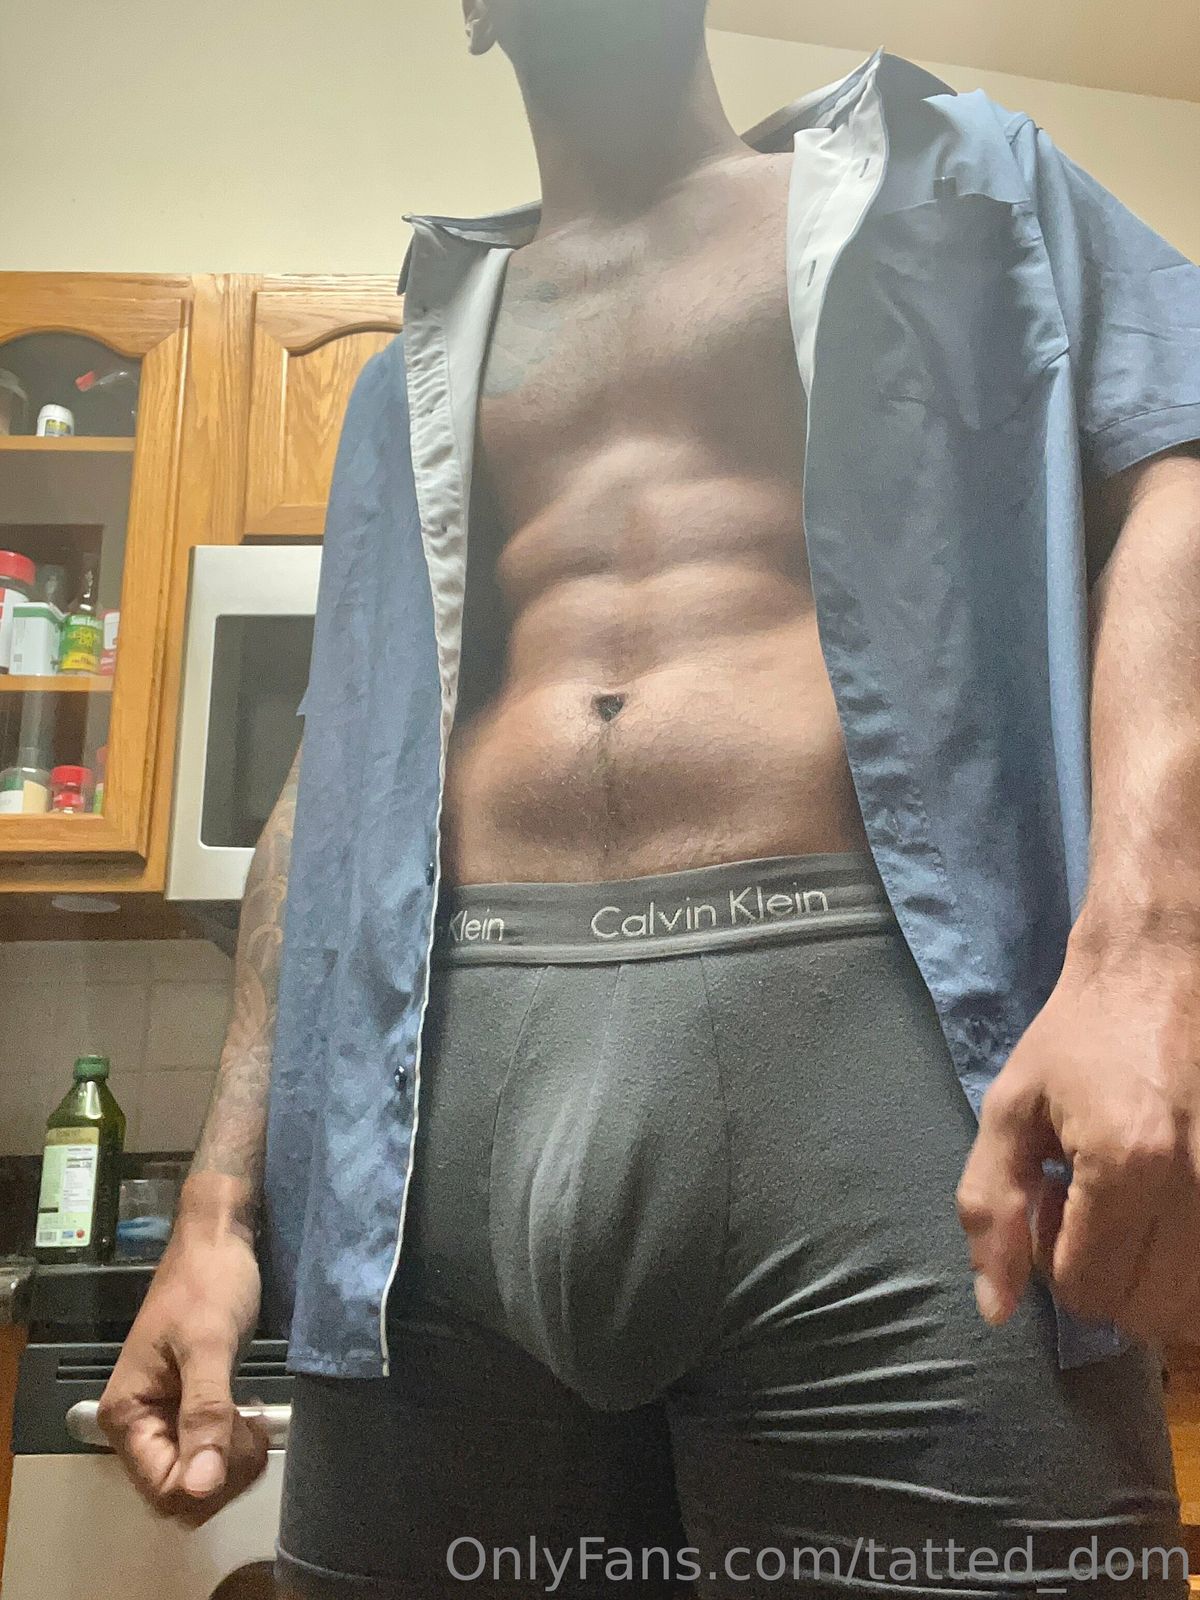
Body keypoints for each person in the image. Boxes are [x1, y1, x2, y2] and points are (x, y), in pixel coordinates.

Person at [99, 3, 1200, 1595]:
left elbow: (1180, 463)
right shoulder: (401, 379)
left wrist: (1148, 958)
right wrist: (218, 1202)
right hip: (434, 1168)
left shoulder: (963, 187)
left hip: (883, 1119)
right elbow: (329, 788)